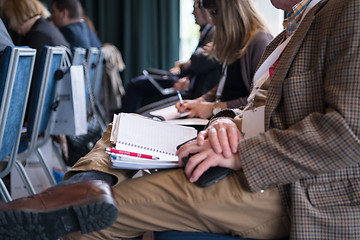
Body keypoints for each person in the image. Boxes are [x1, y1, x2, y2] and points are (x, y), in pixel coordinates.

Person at [0, 0, 359, 240]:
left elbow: (350, 136)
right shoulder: (292, 28)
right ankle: (68, 191)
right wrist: (225, 122)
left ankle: (65, 204)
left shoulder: (348, 11)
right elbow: (261, 106)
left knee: (97, 218)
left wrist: (240, 152)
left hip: (298, 189)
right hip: (244, 153)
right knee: (121, 129)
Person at [175, 0, 273, 119]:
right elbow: (224, 85)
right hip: (220, 116)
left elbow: (261, 99)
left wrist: (213, 108)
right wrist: (201, 101)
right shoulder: (236, 41)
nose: (213, 22)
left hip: (235, 121)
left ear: (231, 12)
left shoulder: (260, 41)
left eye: (214, 13)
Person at [121, 0, 220, 113]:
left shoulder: (214, 31)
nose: (193, 13)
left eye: (195, 9)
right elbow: (198, 59)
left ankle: (122, 119)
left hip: (188, 86)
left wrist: (188, 72)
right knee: (138, 83)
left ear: (205, 10)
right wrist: (187, 66)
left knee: (135, 85)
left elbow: (199, 62)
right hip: (187, 80)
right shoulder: (208, 32)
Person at [0, 0, 70, 65]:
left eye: (9, 19)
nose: (10, 26)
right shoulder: (47, 28)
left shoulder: (36, 36)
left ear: (18, 14)